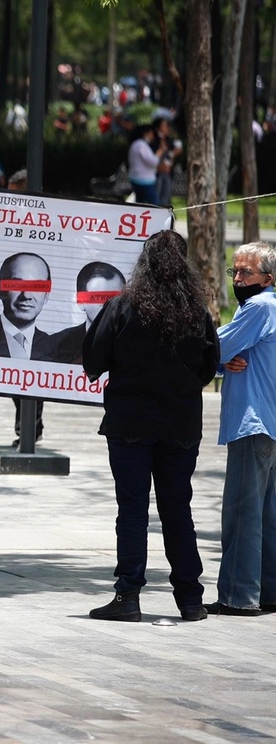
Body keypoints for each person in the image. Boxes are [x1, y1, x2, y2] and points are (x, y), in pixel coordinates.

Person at [82, 230, 218, 623]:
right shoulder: (197, 312)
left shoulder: (122, 307)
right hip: (181, 424)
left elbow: (93, 361)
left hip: (130, 423)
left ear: (143, 264)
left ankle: (128, 597)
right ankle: (190, 599)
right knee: (178, 510)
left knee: (133, 511)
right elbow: (208, 369)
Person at [207, 241, 276, 617]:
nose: (238, 278)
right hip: (269, 421)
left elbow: (213, 346)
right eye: (235, 271)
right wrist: (221, 361)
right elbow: (224, 353)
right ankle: (267, 591)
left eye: (246, 272)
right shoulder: (267, 308)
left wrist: (217, 359)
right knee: (267, 513)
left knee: (242, 511)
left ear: (268, 278)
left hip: (253, 422)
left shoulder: (259, 307)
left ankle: (238, 594)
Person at [0, 252, 55, 447]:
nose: (26, 295)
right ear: (0, 290)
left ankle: (30, 431)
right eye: (16, 285)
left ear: (47, 295)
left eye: (36, 286)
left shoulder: (55, 344)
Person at [52, 262, 126, 364]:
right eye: (98, 298)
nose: (108, 306)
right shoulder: (58, 345)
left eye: (116, 299)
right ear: (81, 302)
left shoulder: (134, 343)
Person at [127, 123, 167, 205]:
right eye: (151, 133)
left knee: (140, 204)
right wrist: (161, 150)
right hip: (144, 180)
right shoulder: (141, 145)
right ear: (146, 133)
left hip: (137, 178)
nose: (153, 136)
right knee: (154, 204)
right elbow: (152, 161)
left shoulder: (136, 144)